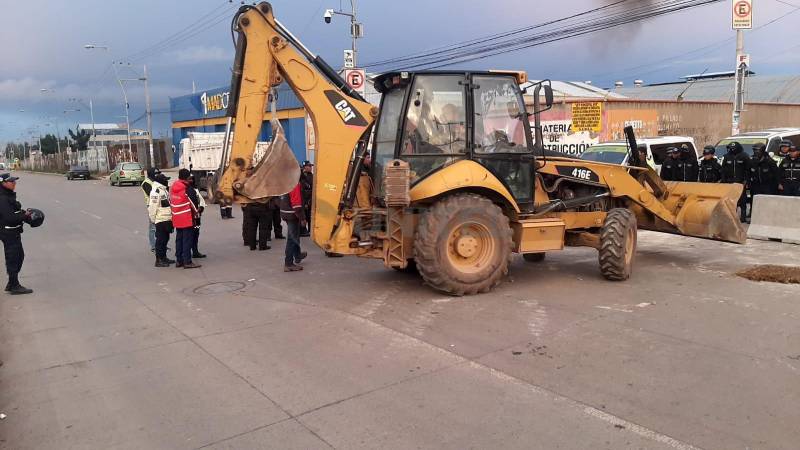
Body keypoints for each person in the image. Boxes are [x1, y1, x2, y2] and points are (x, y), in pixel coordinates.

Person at [0, 173, 33, 294]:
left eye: (14, 181)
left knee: (19, 256)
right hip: (8, 232)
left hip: (13, 231)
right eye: (11, 181)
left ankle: (11, 282)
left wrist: (26, 215)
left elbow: (16, 211)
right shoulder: (2, 198)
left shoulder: (8, 195)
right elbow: (9, 217)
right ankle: (14, 285)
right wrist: (24, 216)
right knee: (13, 258)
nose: (14, 183)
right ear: (3, 183)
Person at [170, 169, 202, 269]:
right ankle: (187, 261)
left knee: (179, 239)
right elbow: (193, 204)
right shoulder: (187, 189)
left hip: (176, 216)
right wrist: (197, 213)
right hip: (186, 217)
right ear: (188, 177)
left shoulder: (173, 186)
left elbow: (170, 200)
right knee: (187, 240)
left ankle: (179, 260)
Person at [280, 178, 308, 272]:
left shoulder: (285, 182)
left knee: (294, 235)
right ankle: (288, 263)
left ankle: (297, 255)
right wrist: (302, 218)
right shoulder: (294, 184)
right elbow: (297, 204)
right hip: (292, 214)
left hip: (285, 212)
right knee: (292, 239)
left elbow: (277, 199)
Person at [148, 172, 175, 267]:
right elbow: (152, 207)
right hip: (160, 219)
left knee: (165, 239)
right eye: (165, 180)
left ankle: (164, 257)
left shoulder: (163, 189)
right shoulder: (156, 191)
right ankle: (159, 260)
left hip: (167, 218)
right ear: (161, 181)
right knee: (160, 240)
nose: (167, 181)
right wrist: (152, 219)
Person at [721, 141, 751, 222]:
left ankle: (743, 217)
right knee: (731, 201)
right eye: (731, 149)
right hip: (730, 182)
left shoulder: (744, 156)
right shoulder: (727, 156)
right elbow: (723, 170)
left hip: (741, 182)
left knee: (742, 200)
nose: (732, 150)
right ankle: (732, 217)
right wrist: (724, 181)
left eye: (733, 148)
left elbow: (748, 170)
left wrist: (746, 181)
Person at [189, 175, 207, 259]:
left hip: (197, 216)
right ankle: (185, 253)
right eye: (189, 179)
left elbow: (201, 200)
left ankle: (195, 252)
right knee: (189, 235)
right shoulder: (186, 190)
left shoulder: (195, 189)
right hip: (190, 217)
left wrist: (201, 207)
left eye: (192, 179)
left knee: (196, 234)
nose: (191, 181)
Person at [141, 168, 158, 252]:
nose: (157, 175)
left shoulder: (155, 182)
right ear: (151, 174)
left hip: (158, 205)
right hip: (151, 206)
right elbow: (152, 194)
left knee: (159, 226)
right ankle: (153, 246)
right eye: (156, 174)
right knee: (152, 227)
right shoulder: (146, 183)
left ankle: (159, 245)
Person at [300, 161, 314, 237]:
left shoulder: (311, 175)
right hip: (304, 199)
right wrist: (305, 202)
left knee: (310, 216)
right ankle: (302, 230)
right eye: (309, 166)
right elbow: (303, 190)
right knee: (304, 215)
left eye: (311, 166)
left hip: (310, 199)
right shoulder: (301, 176)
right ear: (305, 167)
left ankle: (310, 230)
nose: (311, 168)